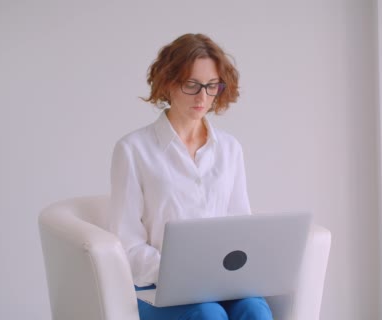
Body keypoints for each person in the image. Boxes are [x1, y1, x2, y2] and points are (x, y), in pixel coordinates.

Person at [107, 33, 273, 320]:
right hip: (158, 289)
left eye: (211, 86)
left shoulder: (230, 149)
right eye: (192, 85)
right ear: (169, 83)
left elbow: (240, 225)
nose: (202, 97)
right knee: (208, 315)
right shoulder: (133, 149)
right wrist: (182, 273)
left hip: (224, 284)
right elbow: (127, 243)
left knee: (255, 310)